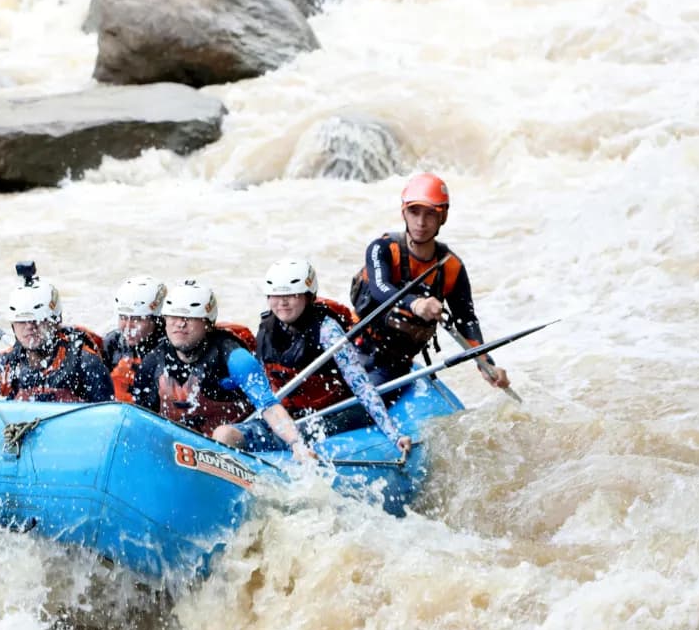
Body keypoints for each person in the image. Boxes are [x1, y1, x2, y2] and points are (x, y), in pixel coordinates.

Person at [213, 260, 411, 454]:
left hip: (328, 415)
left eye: (292, 294)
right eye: (276, 295)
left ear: (308, 296)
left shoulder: (327, 330)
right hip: (284, 415)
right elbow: (261, 385)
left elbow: (361, 385)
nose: (282, 302)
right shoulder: (267, 328)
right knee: (224, 434)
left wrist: (394, 435)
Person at [351, 172, 510, 396]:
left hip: (392, 364)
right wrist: (416, 304)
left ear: (442, 217)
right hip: (354, 348)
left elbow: (466, 320)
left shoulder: (451, 267)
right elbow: (380, 289)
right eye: (414, 212)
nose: (421, 223)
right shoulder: (382, 249)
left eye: (430, 214)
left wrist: (485, 363)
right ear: (403, 213)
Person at [131, 280, 315, 463]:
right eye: (173, 317)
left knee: (223, 434)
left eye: (190, 318)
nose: (180, 324)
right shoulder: (153, 361)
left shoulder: (233, 356)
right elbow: (141, 417)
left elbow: (269, 406)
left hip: (245, 432)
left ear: (207, 323)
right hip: (191, 445)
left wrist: (296, 443)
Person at [0, 278, 114, 402]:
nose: (29, 327)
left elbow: (108, 420)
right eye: (22, 321)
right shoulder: (2, 366)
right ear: (12, 326)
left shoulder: (85, 365)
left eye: (37, 320)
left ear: (56, 321)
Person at [101, 276, 167, 403]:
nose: (128, 326)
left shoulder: (171, 349)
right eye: (123, 317)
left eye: (138, 318)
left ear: (156, 319)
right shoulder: (112, 343)